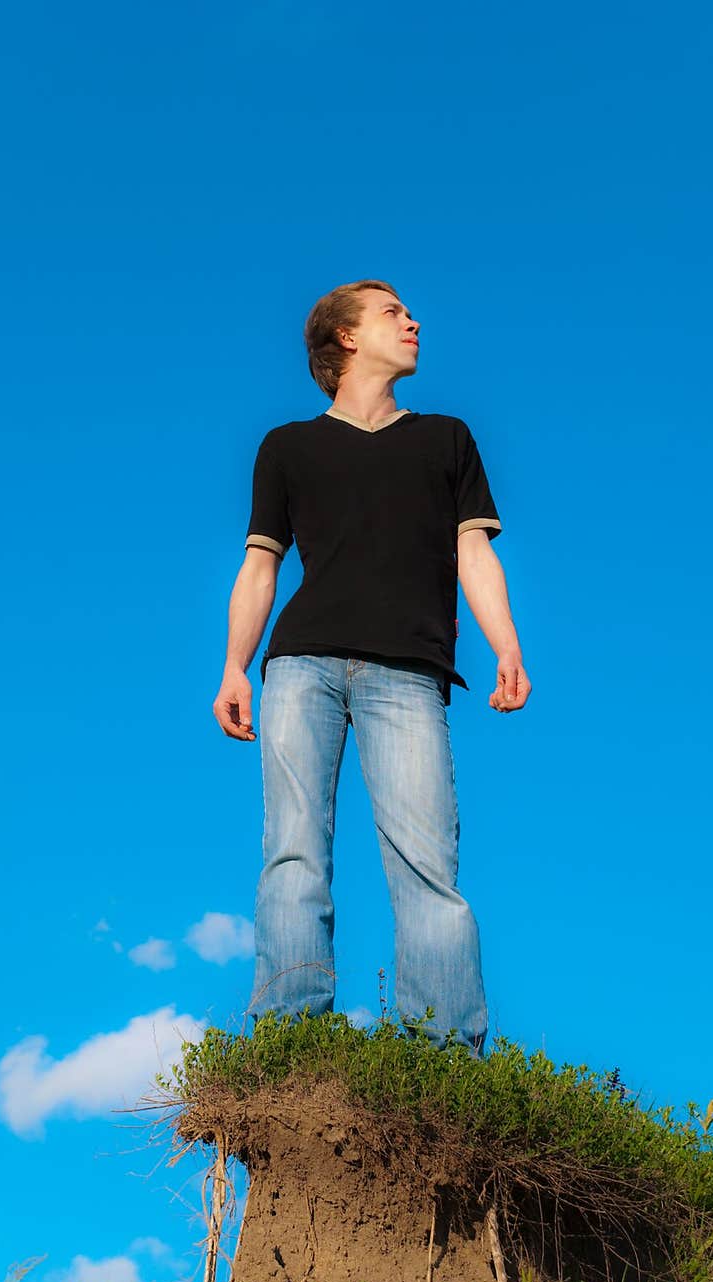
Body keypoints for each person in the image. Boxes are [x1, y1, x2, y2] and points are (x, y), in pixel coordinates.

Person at [212, 279, 531, 1057]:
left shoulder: (446, 439)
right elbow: (261, 566)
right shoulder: (286, 447)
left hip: (410, 673)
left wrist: (507, 643)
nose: (413, 319)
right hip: (301, 666)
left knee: (429, 867)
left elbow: (472, 552)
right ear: (346, 337)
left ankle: (443, 1057)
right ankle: (288, 1039)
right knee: (294, 852)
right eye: (393, 311)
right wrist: (234, 667)